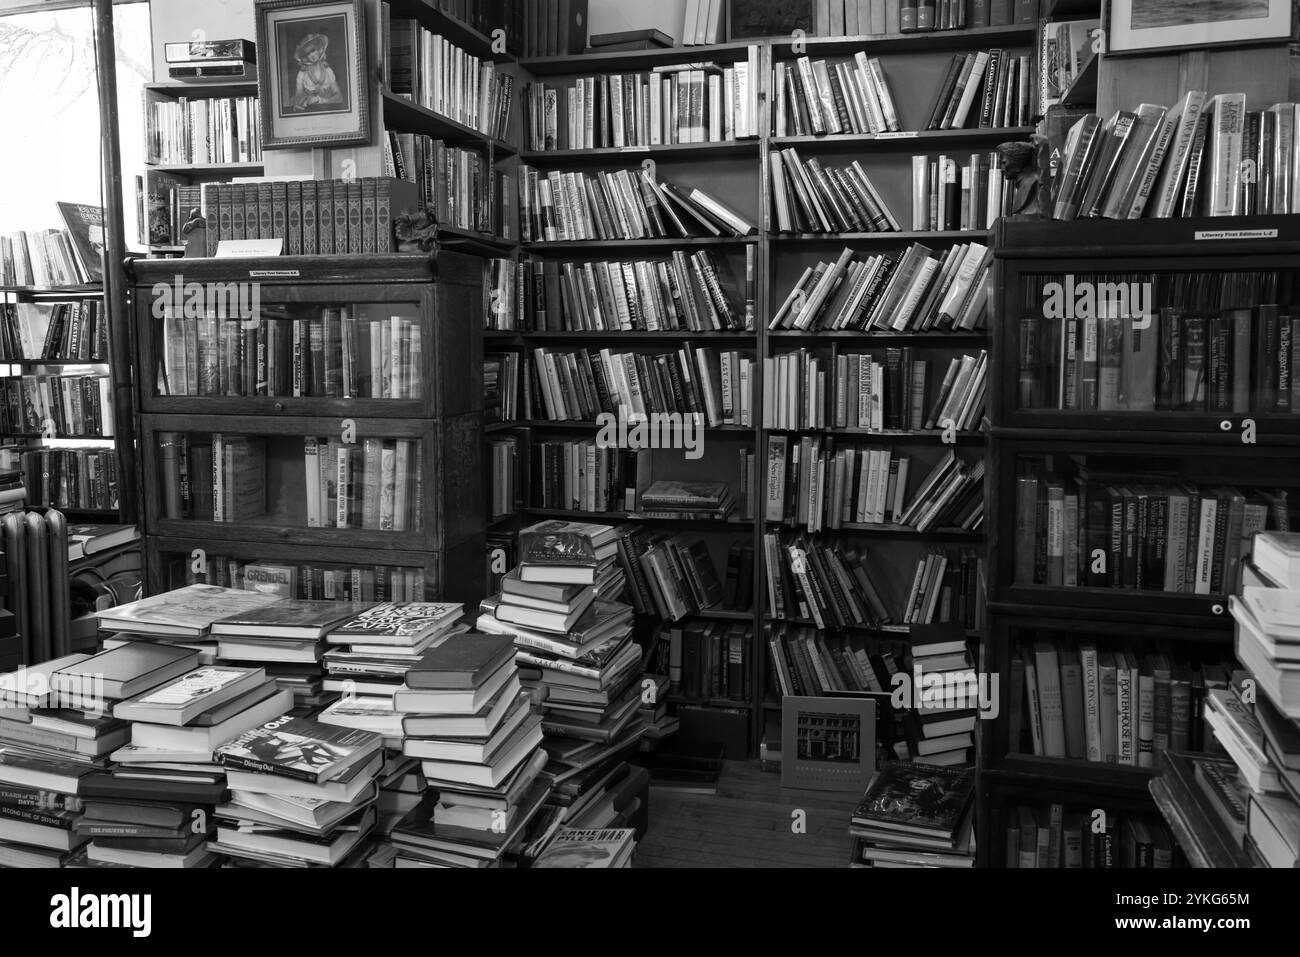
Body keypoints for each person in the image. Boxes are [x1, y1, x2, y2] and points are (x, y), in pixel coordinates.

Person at [289, 33, 342, 112]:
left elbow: (339, 97)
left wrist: (321, 100)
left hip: (329, 111)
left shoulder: (328, 70)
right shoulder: (302, 73)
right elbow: (298, 97)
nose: (311, 55)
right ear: (305, 57)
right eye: (307, 53)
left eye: (312, 50)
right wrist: (301, 102)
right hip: (309, 112)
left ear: (319, 49)